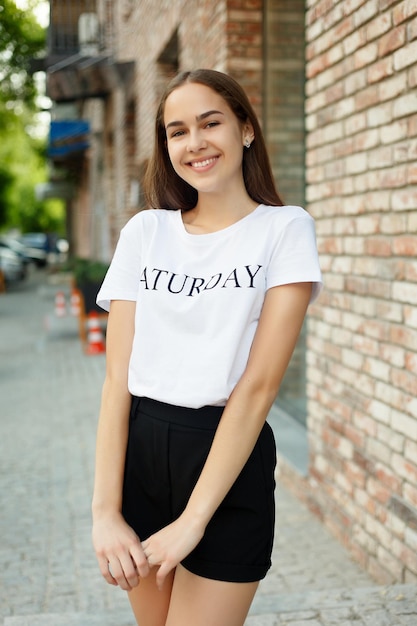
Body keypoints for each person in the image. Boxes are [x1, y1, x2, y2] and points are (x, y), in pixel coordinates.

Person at [92, 68, 322, 626]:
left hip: (226, 453)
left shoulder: (285, 230)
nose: (193, 142)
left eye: (209, 122)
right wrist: (104, 511)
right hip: (142, 454)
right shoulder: (145, 233)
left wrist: (195, 518)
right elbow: (116, 377)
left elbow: (260, 385)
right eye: (176, 130)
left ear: (245, 129)